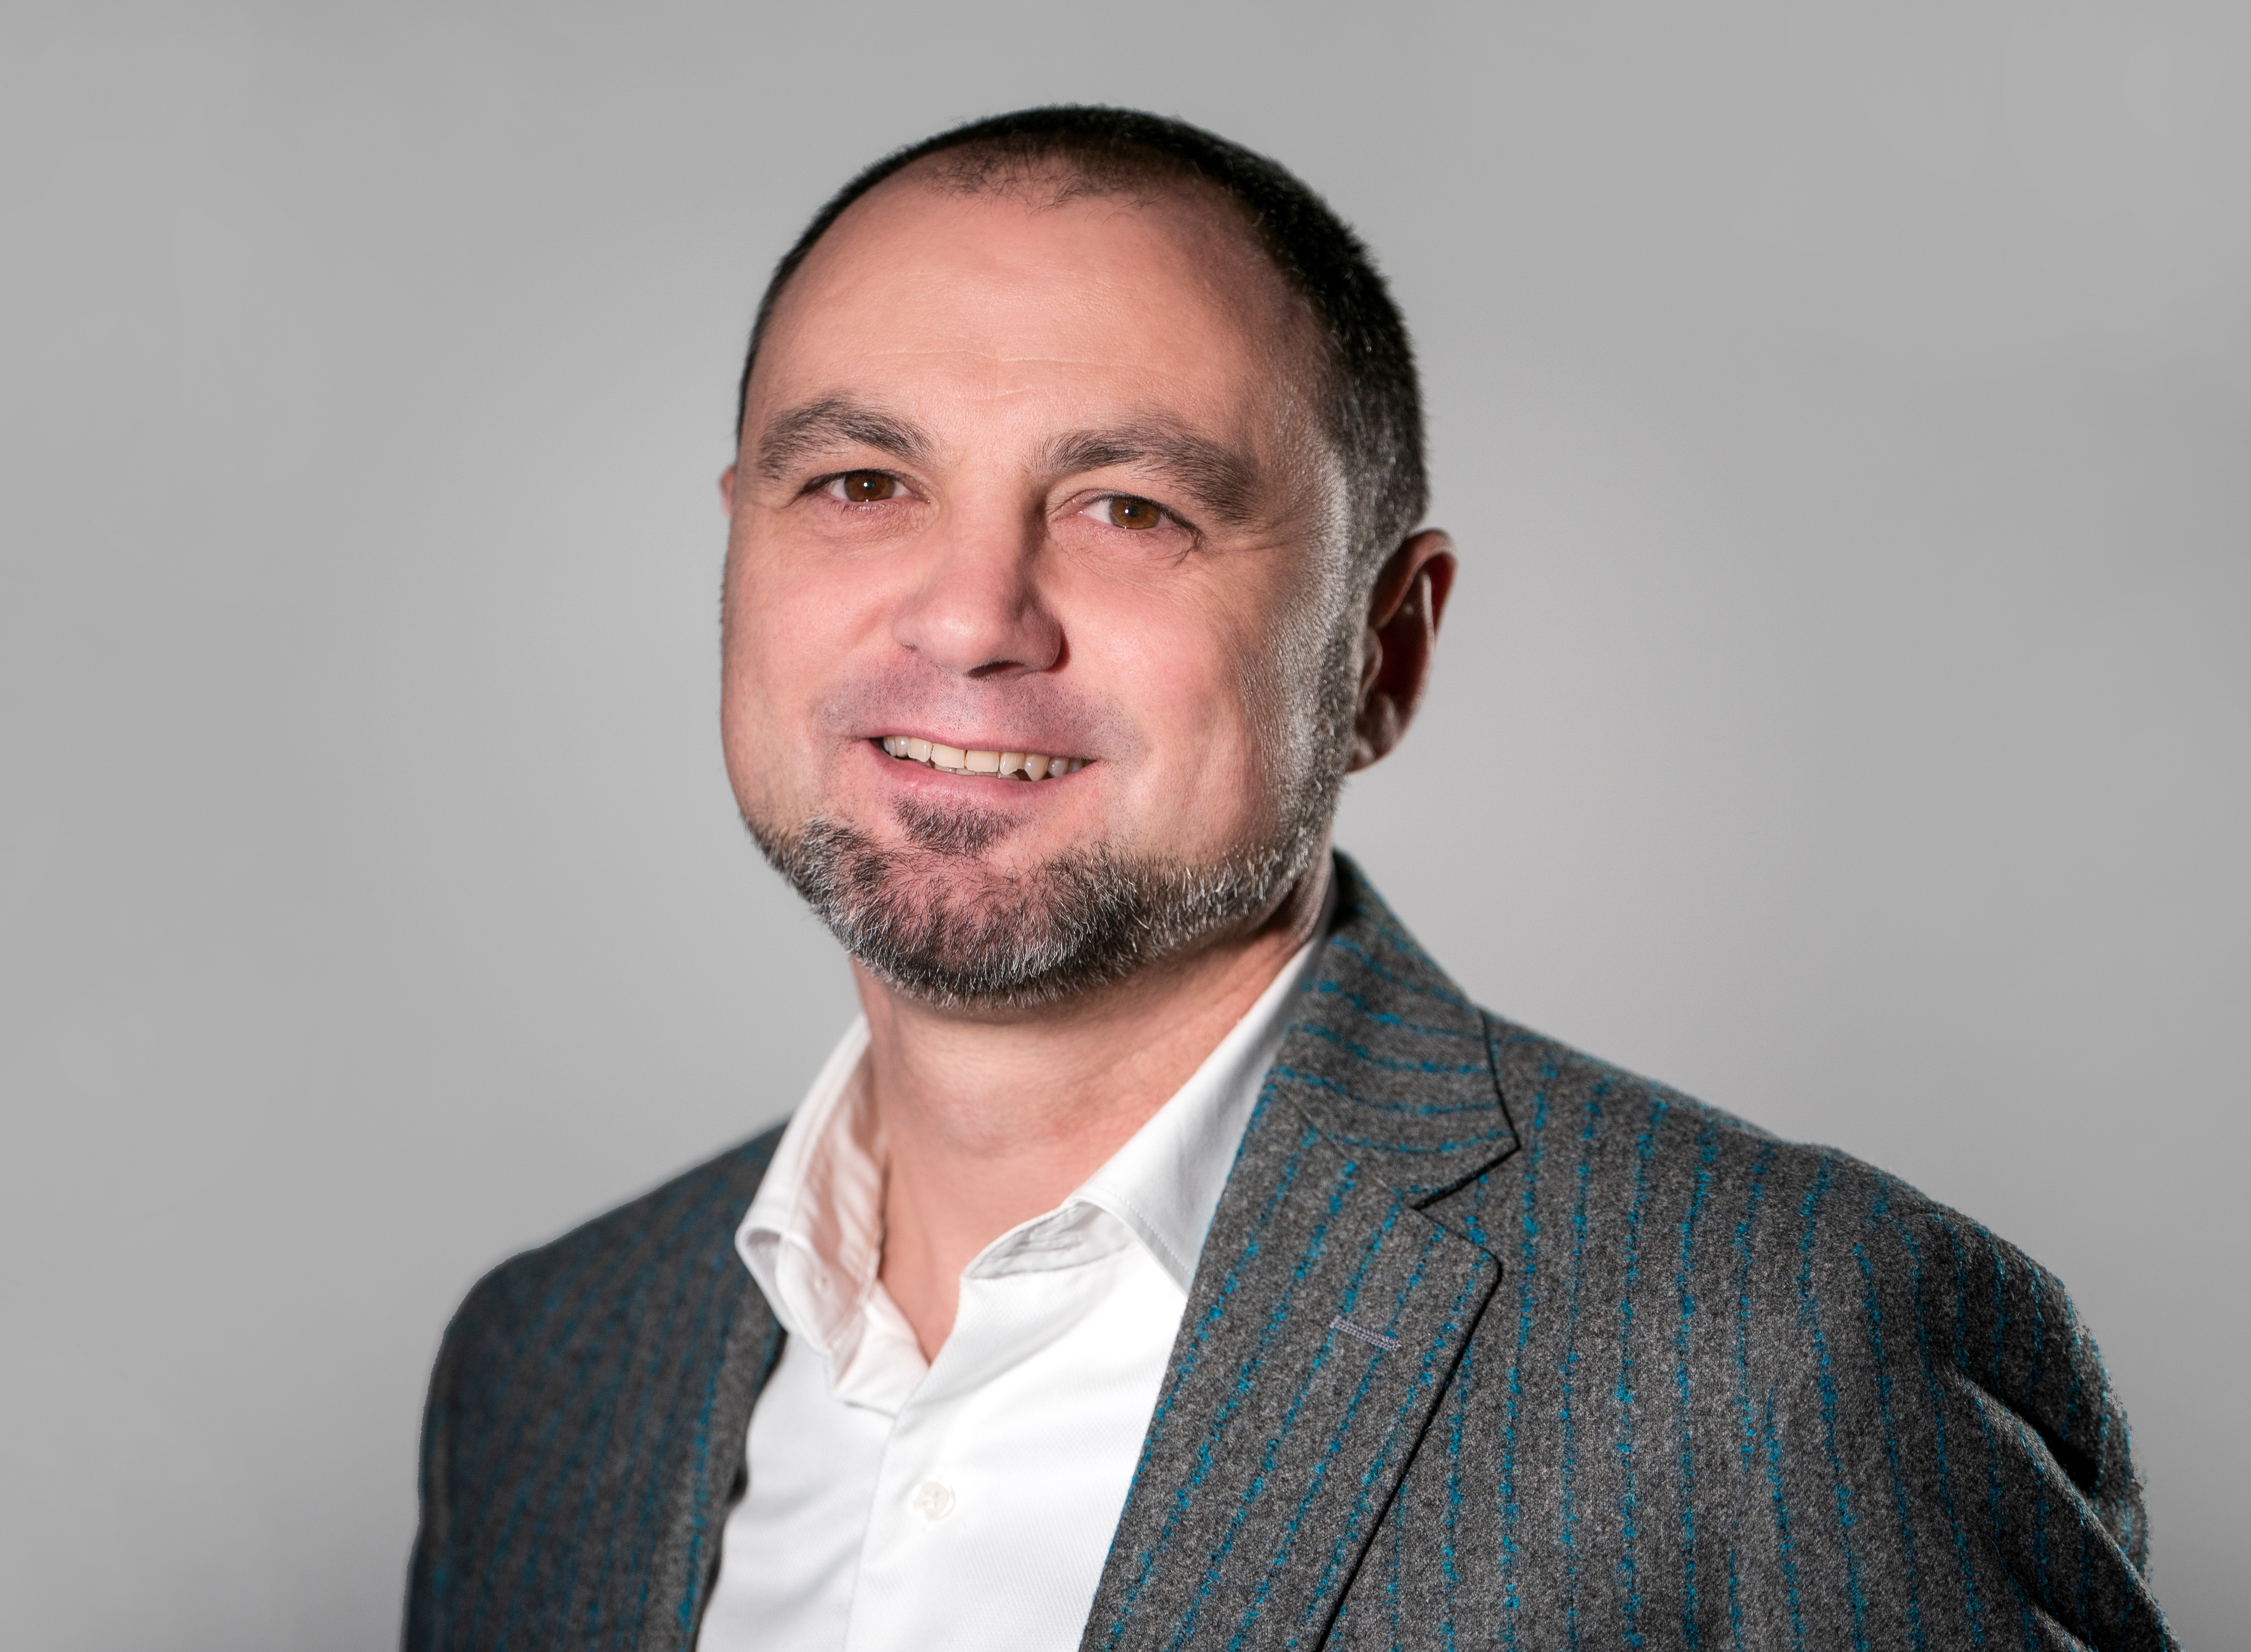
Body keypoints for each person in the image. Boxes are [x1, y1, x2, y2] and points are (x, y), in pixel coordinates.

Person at [403, 106, 2173, 1652]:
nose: (969, 617)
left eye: (1129, 509)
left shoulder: (1785, 1347)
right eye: (862, 483)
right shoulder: (550, 1370)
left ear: (1383, 650)